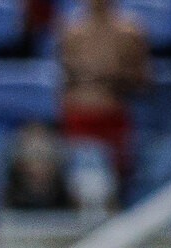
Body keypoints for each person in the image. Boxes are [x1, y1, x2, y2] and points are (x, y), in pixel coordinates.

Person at [56, 0, 150, 192]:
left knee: (114, 183)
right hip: (78, 117)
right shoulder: (72, 32)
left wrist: (110, 76)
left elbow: (143, 81)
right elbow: (64, 82)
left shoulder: (130, 33)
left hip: (112, 116)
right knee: (79, 180)